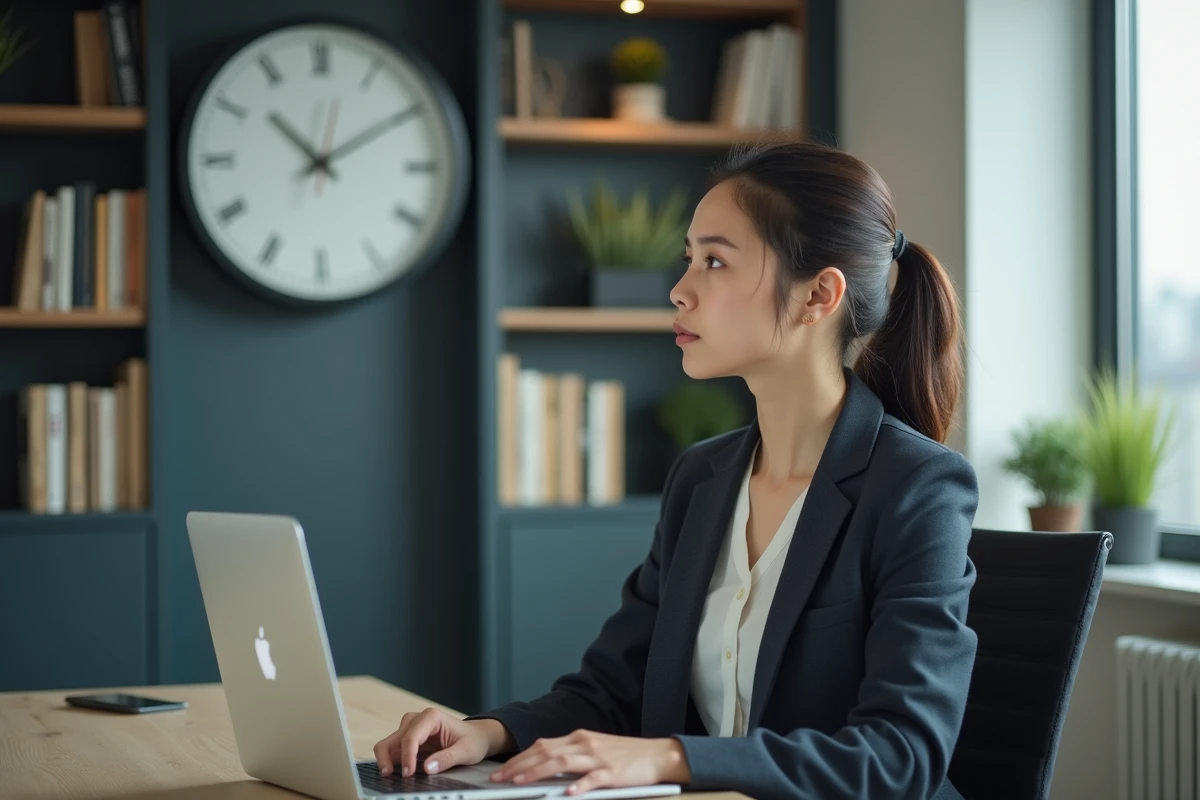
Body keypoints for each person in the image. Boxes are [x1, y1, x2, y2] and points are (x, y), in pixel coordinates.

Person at [373, 141, 980, 800]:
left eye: (715, 261)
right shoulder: (703, 478)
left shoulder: (917, 487)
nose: (680, 289)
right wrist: (486, 732)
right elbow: (611, 692)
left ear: (818, 295)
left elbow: (902, 756)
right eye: (688, 258)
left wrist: (668, 760)